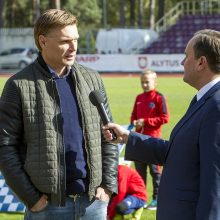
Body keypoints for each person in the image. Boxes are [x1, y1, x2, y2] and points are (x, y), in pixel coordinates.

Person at [0, 9, 118, 220]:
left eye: (75, 39)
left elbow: (108, 135)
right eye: (65, 41)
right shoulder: (17, 86)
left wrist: (107, 186)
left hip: (93, 203)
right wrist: (31, 198)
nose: (73, 47)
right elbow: (5, 147)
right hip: (47, 207)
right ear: (43, 41)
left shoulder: (92, 79)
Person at [103, 29, 220, 220]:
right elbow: (177, 151)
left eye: (186, 56)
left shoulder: (216, 105)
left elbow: (215, 185)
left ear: (201, 62)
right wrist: (127, 137)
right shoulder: (203, 100)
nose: (182, 62)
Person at [130, 69, 169, 210]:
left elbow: (165, 118)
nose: (145, 85)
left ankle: (156, 199)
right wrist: (135, 122)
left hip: (152, 141)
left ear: (155, 82)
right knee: (140, 173)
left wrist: (145, 122)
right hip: (138, 141)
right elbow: (133, 116)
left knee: (155, 172)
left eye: (147, 82)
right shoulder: (139, 98)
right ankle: (141, 199)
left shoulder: (159, 97)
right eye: (142, 82)